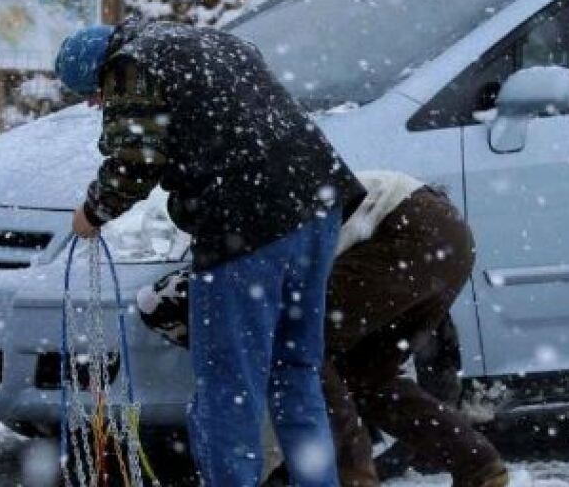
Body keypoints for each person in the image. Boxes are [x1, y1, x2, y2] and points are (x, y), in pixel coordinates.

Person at [55, 18, 365, 487]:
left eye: (95, 95)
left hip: (246, 224)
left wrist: (93, 212)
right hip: (319, 203)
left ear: (99, 74)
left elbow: (135, 159)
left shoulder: (131, 64)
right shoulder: (207, 40)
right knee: (295, 370)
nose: (99, 104)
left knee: (229, 387)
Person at [138, 171, 510, 487]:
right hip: (446, 239)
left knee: (302, 351)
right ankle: (478, 466)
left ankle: (351, 478)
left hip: (405, 231)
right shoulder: (251, 212)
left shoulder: (243, 244)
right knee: (368, 376)